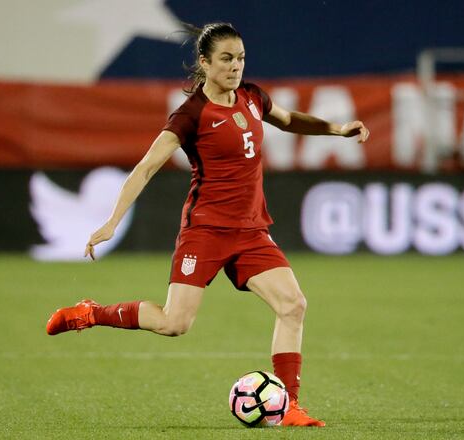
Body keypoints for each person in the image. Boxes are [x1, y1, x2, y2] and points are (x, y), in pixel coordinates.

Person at [46, 22, 369, 427]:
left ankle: (288, 407)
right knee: (173, 324)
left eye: (241, 58)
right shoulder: (191, 115)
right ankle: (91, 314)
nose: (236, 66)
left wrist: (337, 129)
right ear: (204, 62)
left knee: (293, 305)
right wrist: (112, 221)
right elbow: (146, 168)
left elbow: (287, 120)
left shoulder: (252, 96)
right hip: (206, 232)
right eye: (227, 59)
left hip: (251, 231)